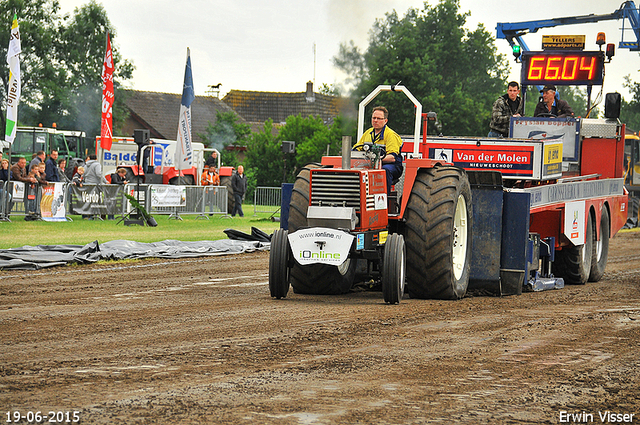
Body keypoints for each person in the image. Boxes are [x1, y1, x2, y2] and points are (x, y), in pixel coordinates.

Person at [352, 106, 403, 193]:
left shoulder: (391, 135)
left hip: (391, 166)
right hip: (370, 164)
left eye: (379, 118)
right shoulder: (367, 133)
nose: (375, 120)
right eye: (374, 118)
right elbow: (356, 149)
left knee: (384, 171)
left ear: (385, 121)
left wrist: (375, 159)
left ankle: (383, 199)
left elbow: (392, 158)